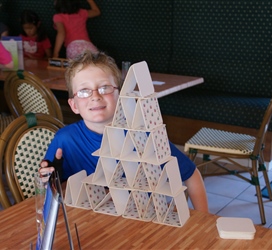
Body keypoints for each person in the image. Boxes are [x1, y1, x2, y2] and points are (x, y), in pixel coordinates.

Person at [40, 50, 209, 213]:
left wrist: (204, 218)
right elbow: (50, 188)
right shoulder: (65, 141)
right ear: (74, 105)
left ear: (120, 96)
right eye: (84, 91)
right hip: (94, 224)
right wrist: (49, 180)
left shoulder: (145, 137)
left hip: (144, 218)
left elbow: (191, 174)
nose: (95, 96)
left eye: (105, 88)